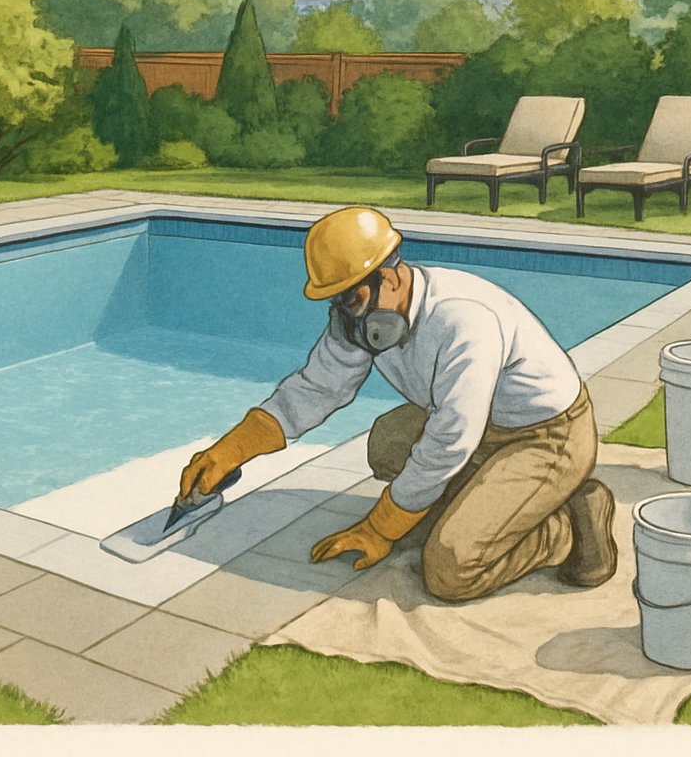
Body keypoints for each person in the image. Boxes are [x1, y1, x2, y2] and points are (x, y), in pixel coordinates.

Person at [176, 206, 617, 602]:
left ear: (387, 279)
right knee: (387, 443)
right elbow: (317, 389)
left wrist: (380, 527)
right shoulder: (362, 314)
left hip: (547, 435)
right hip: (483, 427)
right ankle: (493, 503)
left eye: (350, 298)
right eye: (337, 301)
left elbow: (450, 439)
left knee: (450, 568)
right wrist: (230, 451)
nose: (346, 315)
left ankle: (564, 527)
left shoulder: (463, 319)